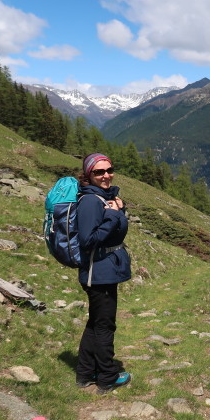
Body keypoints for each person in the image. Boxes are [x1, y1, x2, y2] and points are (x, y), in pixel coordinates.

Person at [74, 153, 132, 394]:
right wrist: (112, 215)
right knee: (105, 325)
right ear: (89, 175)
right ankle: (107, 377)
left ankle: (85, 373)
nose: (106, 175)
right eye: (99, 172)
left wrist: (119, 210)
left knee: (96, 322)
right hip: (99, 273)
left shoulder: (106, 198)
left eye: (109, 169)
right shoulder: (90, 202)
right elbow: (88, 240)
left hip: (105, 269)